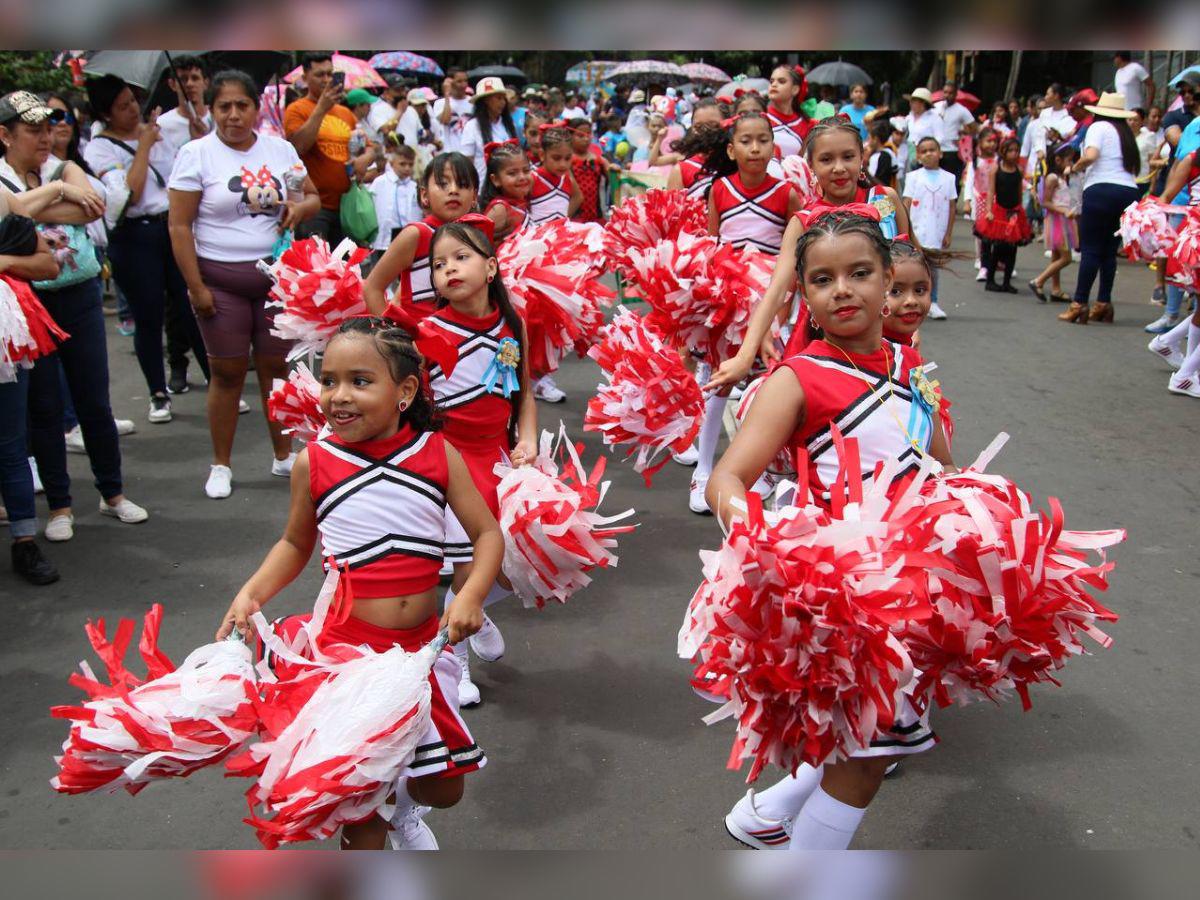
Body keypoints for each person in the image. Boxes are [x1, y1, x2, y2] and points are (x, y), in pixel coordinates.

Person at [714, 209, 953, 851]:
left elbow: (945, 467)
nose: (842, 289)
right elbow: (727, 480)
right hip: (848, 597)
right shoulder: (799, 377)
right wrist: (767, 544)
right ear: (807, 298)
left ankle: (763, 817)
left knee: (866, 738)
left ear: (888, 280)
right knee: (870, 756)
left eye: (859, 273)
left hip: (914, 587)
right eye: (821, 279)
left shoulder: (914, 370)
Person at [216, 313, 503, 850]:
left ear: (405, 391)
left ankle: (402, 812)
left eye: (360, 381)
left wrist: (470, 594)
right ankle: (372, 821)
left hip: (419, 651)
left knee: (444, 789)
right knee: (357, 810)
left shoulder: (437, 454)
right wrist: (250, 593)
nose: (338, 396)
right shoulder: (314, 462)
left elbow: (487, 534)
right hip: (345, 654)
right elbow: (296, 544)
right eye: (329, 380)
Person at [0, 90, 149, 541]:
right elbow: (15, 213)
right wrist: (60, 195)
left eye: (48, 128)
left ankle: (113, 494)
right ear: (5, 136)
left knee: (94, 400)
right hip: (29, 303)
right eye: (33, 130)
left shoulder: (66, 166)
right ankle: (60, 505)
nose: (45, 138)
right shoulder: (15, 177)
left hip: (80, 295)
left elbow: (94, 207)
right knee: (44, 408)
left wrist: (44, 197)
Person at [168, 70, 322, 499]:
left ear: (257, 108)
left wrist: (299, 210)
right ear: (211, 109)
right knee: (228, 371)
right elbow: (179, 226)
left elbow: (311, 196)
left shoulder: (281, 148)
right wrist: (195, 286)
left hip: (275, 278)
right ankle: (221, 464)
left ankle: (282, 454)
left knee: (276, 368)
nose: (234, 115)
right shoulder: (196, 154)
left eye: (242, 105)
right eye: (224, 107)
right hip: (219, 279)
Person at [705, 116, 910, 394]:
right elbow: (778, 290)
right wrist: (744, 355)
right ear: (810, 166)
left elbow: (910, 267)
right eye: (826, 160)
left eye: (848, 156)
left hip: (888, 338)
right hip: (824, 342)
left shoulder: (885, 200)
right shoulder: (804, 221)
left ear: (862, 157)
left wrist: (912, 319)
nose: (839, 168)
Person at [422, 217, 538, 707]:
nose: (448, 269)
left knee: (519, 569)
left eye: (461, 257)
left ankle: (476, 613)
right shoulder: (428, 330)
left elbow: (525, 393)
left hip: (498, 458)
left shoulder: (513, 324)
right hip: (450, 458)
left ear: (491, 267)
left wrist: (528, 439)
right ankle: (455, 663)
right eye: (437, 264)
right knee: (468, 566)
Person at [692, 111, 802, 514]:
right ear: (731, 148)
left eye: (763, 140)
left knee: (775, 382)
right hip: (727, 299)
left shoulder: (787, 194)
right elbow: (711, 245)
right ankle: (704, 470)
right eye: (747, 141)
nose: (755, 148)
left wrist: (784, 306)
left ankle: (775, 473)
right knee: (717, 381)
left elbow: (793, 257)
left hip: (769, 301)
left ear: (774, 147)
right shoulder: (720, 189)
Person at [82, 75, 210, 424]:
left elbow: (183, 177)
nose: (132, 110)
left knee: (192, 304)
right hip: (133, 237)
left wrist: (199, 141)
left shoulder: (160, 132)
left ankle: (217, 381)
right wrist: (142, 147)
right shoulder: (99, 147)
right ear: (106, 114)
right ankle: (157, 392)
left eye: (133, 101)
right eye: (122, 106)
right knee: (149, 316)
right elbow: (129, 194)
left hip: (172, 228)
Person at [1, 185, 62, 583]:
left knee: (9, 443)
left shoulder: (4, 199)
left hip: (5, 335)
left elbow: (46, 263)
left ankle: (24, 541)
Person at [363, 152, 478, 319]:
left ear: (474, 196)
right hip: (419, 341)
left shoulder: (478, 234)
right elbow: (372, 288)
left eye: (462, 184)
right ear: (425, 195)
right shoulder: (416, 234)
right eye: (443, 184)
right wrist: (392, 337)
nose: (453, 190)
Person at [1058, 92, 1140, 324]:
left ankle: (1079, 303)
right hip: (1127, 192)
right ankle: (1103, 302)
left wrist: (1074, 167)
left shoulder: (1098, 127)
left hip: (1101, 190)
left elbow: (1091, 155)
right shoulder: (1126, 134)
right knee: (1108, 250)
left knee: (1091, 249)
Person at [284, 53, 374, 245]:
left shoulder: (345, 113)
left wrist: (364, 159)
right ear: (305, 76)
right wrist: (321, 109)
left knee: (348, 269)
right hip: (315, 209)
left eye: (329, 74)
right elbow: (297, 148)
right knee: (317, 270)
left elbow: (369, 148)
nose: (326, 80)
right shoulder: (296, 109)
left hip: (347, 206)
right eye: (319, 75)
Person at [901, 135, 955, 318]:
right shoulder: (913, 177)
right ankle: (912, 300)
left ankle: (933, 302)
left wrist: (948, 232)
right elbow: (906, 204)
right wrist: (904, 229)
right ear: (918, 155)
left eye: (932, 150)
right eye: (923, 151)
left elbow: (952, 206)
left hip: (936, 231)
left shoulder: (949, 178)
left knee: (933, 269)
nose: (928, 154)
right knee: (915, 267)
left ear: (940, 153)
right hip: (916, 230)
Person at [976, 136, 1033, 294]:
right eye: (1011, 151)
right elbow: (991, 192)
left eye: (1017, 151)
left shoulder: (1019, 170)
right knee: (998, 247)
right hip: (999, 211)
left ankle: (1007, 281)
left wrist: (1021, 210)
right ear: (1004, 152)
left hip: (1014, 212)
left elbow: (1019, 192)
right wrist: (989, 210)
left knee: (1012, 248)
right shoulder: (996, 169)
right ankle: (991, 279)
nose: (1014, 154)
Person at [1029, 142, 1079, 302]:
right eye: (1068, 160)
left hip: (1064, 218)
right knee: (1066, 258)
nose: (1070, 164)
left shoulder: (1061, 177)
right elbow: (1046, 202)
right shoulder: (1052, 178)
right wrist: (1064, 210)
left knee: (1057, 256)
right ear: (1058, 160)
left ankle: (1056, 289)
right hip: (1058, 220)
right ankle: (1039, 280)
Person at [366, 145, 421, 271]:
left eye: (410, 164)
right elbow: (371, 206)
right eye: (402, 164)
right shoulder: (380, 182)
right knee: (381, 269)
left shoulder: (414, 186)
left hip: (406, 233)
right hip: (385, 233)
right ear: (391, 163)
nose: (407, 168)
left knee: (404, 270)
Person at [459, 77, 518, 183]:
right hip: (483, 187)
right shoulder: (472, 126)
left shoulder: (508, 125)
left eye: (504, 98)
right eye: (498, 98)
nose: (503, 103)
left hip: (509, 186)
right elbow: (467, 162)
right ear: (486, 100)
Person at [527, 124, 582, 225]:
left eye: (568, 158)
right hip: (536, 237)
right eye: (556, 158)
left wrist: (564, 219)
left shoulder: (566, 178)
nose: (563, 164)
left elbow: (578, 197)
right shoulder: (533, 178)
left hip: (560, 236)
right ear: (542, 155)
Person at [158, 55, 213, 152]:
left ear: (206, 83)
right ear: (172, 84)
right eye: (183, 79)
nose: (189, 84)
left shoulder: (218, 117)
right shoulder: (162, 125)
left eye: (195, 78)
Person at [481, 141, 531, 244]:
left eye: (526, 171)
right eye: (512, 173)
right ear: (495, 180)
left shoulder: (523, 199)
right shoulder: (500, 209)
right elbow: (481, 243)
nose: (522, 177)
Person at [568, 116, 614, 224]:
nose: (586, 138)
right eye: (580, 135)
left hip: (595, 216)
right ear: (570, 136)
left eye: (588, 134)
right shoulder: (566, 160)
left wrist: (613, 170)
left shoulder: (599, 160)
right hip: (573, 217)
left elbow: (614, 179)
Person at [765, 65, 815, 158]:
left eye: (781, 81)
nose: (774, 84)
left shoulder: (807, 124)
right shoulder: (761, 117)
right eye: (771, 81)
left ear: (795, 89)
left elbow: (803, 162)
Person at [970, 126, 1000, 280]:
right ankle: (981, 260)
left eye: (994, 141)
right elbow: (969, 182)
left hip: (997, 200)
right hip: (979, 200)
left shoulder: (999, 161)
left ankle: (999, 262)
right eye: (988, 141)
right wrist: (968, 200)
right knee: (981, 232)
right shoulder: (975, 162)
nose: (992, 144)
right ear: (980, 142)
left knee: (998, 231)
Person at [933, 79, 975, 184]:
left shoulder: (962, 110)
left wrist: (963, 136)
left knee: (951, 182)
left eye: (950, 93)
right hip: (936, 149)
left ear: (956, 94)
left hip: (952, 151)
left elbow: (974, 128)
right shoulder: (936, 107)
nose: (947, 95)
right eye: (945, 92)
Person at [898, 87, 944, 182]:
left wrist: (930, 150)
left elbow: (940, 138)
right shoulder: (909, 118)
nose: (911, 104)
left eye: (914, 101)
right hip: (909, 153)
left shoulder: (934, 118)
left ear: (922, 103)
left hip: (925, 153)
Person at [432, 68, 474, 154]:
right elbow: (445, 120)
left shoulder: (473, 102)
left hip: (469, 152)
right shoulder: (440, 103)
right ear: (450, 82)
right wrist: (447, 95)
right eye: (459, 81)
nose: (464, 85)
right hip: (449, 152)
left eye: (465, 81)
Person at [866, 121, 897, 188]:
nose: (867, 141)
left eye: (869, 138)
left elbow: (883, 185)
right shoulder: (888, 152)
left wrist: (866, 172)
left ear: (875, 139)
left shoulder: (883, 157)